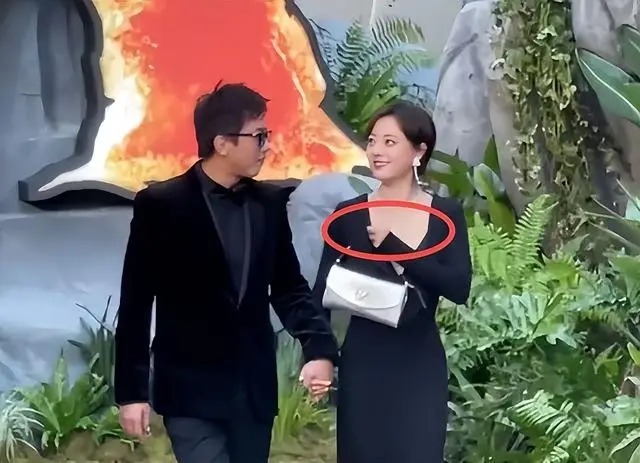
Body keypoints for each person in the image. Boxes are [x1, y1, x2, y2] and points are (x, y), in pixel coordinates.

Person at [113, 82, 339, 463]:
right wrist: (131, 393)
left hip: (252, 392)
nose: (267, 146)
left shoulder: (269, 204)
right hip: (189, 392)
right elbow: (135, 302)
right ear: (221, 143)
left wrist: (319, 349)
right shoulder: (161, 205)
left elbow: (289, 288)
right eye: (259, 136)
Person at [310, 101, 472, 462]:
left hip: (420, 367)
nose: (376, 151)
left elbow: (459, 287)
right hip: (364, 366)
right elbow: (319, 295)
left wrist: (397, 248)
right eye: (372, 141)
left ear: (418, 151)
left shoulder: (445, 214)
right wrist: (319, 355)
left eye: (389, 142)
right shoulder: (348, 215)